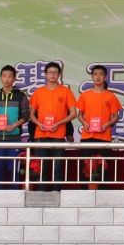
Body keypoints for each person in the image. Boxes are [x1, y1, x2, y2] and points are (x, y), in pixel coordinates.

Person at [27, 62, 77, 191]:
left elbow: (73, 114)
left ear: (59, 74)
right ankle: (41, 192)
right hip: (40, 134)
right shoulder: (38, 92)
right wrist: (39, 124)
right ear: (45, 74)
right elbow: (31, 115)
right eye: (50, 72)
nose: (52, 75)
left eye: (55, 72)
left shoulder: (66, 91)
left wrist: (58, 123)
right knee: (41, 167)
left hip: (58, 135)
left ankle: (56, 192)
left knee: (57, 167)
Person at [77, 65, 122, 190]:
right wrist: (84, 123)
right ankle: (84, 193)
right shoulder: (85, 95)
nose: (98, 77)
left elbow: (115, 117)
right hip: (87, 136)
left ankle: (104, 192)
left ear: (105, 76)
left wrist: (107, 124)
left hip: (104, 137)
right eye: (95, 74)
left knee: (104, 165)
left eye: (101, 74)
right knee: (85, 165)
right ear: (92, 76)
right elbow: (79, 115)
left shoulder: (110, 96)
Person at [0, 65, 29, 191]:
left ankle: (14, 195)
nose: (7, 79)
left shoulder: (21, 96)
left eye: (10, 76)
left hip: (14, 139)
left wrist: (14, 125)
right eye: (4, 76)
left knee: (13, 169)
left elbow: (25, 116)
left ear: (14, 79)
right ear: (0, 78)